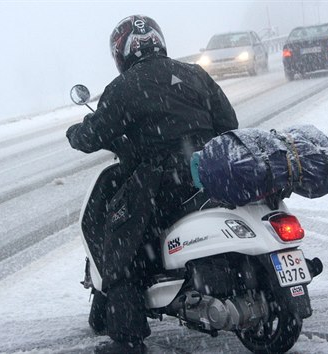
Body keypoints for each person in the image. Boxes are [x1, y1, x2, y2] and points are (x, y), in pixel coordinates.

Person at [66, 14, 238, 347]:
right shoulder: (195, 74)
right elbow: (229, 125)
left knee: (123, 252)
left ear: (122, 51)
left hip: (159, 183)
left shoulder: (124, 87)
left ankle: (127, 336)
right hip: (209, 175)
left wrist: (76, 132)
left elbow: (93, 135)